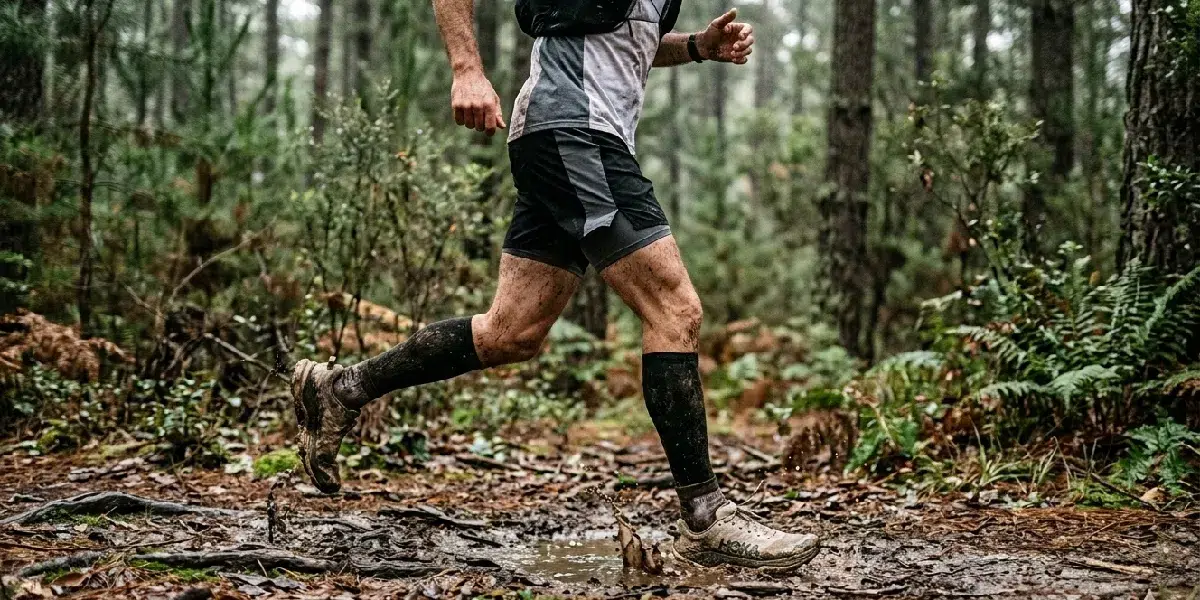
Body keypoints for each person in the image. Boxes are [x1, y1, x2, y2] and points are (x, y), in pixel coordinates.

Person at [291, 0, 820, 572]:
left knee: (509, 333)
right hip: (573, 131)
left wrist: (695, 47)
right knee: (674, 309)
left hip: (564, 136)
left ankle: (341, 389)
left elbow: (622, 41)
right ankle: (706, 517)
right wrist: (467, 69)